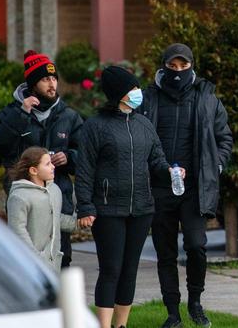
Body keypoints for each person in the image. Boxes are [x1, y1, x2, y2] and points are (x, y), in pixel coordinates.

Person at [75, 66, 178, 328]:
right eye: (133, 88)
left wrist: (171, 172)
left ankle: (121, 325)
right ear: (120, 93)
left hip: (142, 209)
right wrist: (86, 207)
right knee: (111, 270)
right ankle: (104, 325)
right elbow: (85, 169)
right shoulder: (95, 126)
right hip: (108, 210)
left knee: (129, 270)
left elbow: (157, 160)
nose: (138, 92)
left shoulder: (144, 124)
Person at [139, 43, 233, 328]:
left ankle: (195, 302)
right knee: (165, 251)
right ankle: (172, 312)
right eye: (172, 66)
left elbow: (224, 139)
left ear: (192, 66)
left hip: (194, 187)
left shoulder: (207, 97)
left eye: (184, 66)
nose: (178, 71)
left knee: (196, 245)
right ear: (163, 66)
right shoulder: (148, 98)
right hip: (159, 185)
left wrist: (215, 166)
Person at [0, 50, 83, 269]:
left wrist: (69, 157)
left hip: (58, 200)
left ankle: (60, 303)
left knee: (62, 260)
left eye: (54, 79)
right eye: (45, 79)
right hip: (24, 202)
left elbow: (86, 154)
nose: (52, 84)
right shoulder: (11, 113)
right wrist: (22, 114)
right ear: (33, 84)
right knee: (26, 263)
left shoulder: (69, 116)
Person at [6, 146, 76, 272]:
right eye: (48, 164)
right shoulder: (19, 196)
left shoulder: (54, 190)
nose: (53, 167)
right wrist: (37, 260)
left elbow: (55, 218)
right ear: (33, 170)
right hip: (29, 268)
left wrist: (79, 221)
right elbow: (18, 231)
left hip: (53, 265)